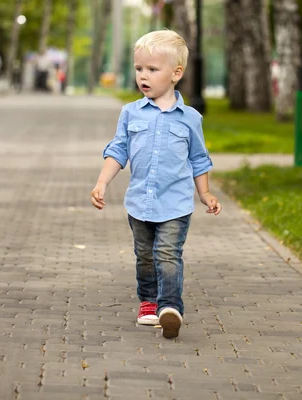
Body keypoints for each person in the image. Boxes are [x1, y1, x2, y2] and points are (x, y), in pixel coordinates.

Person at [90, 30, 222, 339]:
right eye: (139, 69)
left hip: (175, 203)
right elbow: (118, 151)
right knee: (145, 256)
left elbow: (199, 159)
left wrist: (204, 193)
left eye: (152, 69)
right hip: (140, 203)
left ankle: (170, 308)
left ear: (176, 73)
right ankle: (148, 302)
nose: (143, 76)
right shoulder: (130, 113)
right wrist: (101, 182)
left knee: (167, 254)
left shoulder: (190, 119)